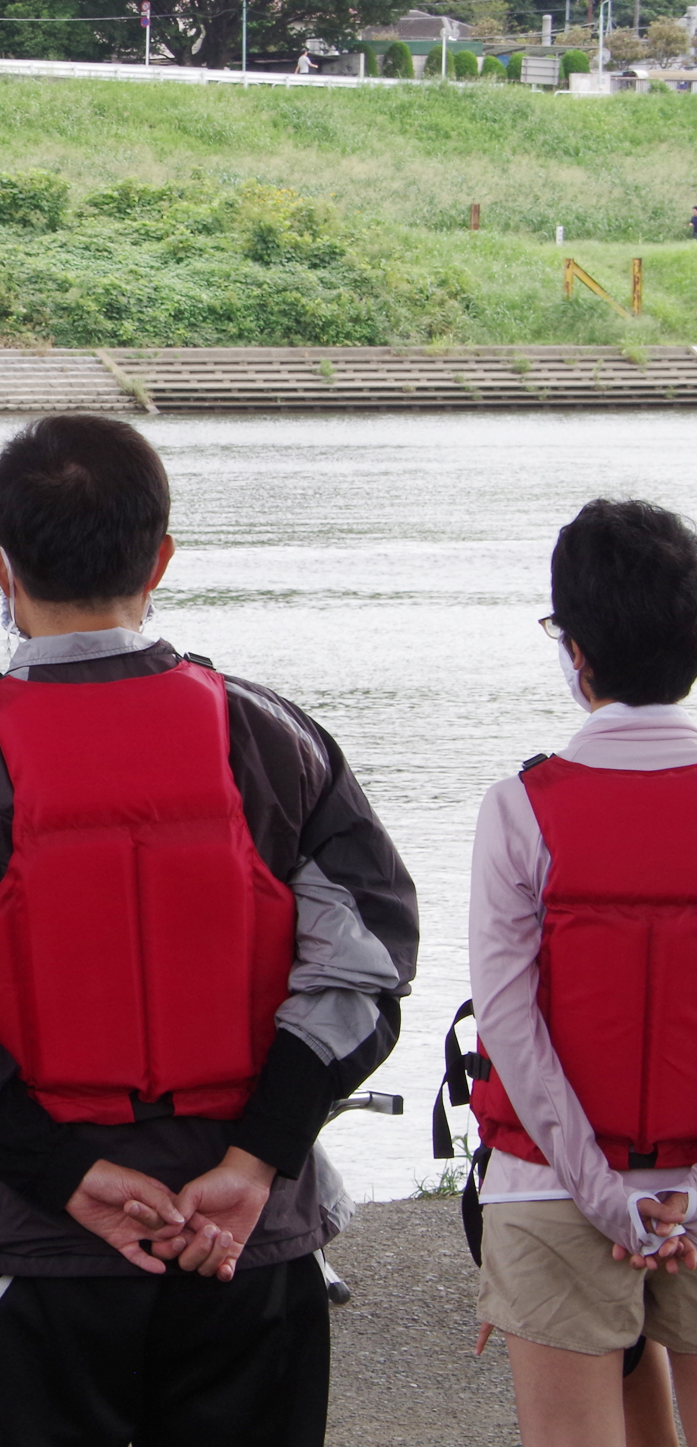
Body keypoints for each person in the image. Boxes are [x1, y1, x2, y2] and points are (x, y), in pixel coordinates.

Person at [0, 414, 418, 1447]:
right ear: (163, 559)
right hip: (253, 1242)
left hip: (38, 1250)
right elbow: (364, 966)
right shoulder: (274, 738)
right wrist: (254, 1159)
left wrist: (67, 1178)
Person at [467, 498, 697, 1447]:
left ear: (576, 651)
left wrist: (607, 1193)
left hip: (551, 1190)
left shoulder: (521, 806)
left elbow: (510, 1027)